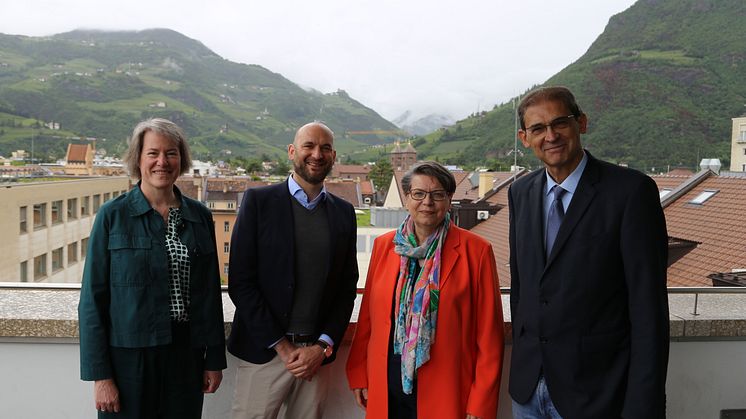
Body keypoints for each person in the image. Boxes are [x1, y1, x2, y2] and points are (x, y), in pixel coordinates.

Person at [508, 86, 669, 418]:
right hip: (528, 392)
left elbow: (648, 308)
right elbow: (523, 286)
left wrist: (643, 405)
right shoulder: (520, 192)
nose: (550, 136)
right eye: (538, 129)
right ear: (525, 138)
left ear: (581, 123)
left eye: (560, 123)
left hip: (597, 393)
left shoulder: (630, 192)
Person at [78, 118, 227, 418]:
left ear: (181, 159)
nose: (162, 161)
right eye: (153, 153)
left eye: (171, 153)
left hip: (186, 355)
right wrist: (101, 376)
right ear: (138, 158)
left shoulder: (198, 216)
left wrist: (214, 359)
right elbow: (92, 300)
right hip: (128, 358)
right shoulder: (112, 215)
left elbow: (209, 294)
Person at [347, 161, 505, 419]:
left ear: (449, 199)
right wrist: (358, 372)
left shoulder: (476, 252)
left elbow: (490, 336)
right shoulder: (385, 246)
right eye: (418, 194)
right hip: (387, 384)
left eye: (437, 194)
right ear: (407, 198)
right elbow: (368, 319)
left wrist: (480, 403)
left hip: (446, 387)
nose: (427, 202)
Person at [227, 121, 358, 419]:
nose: (317, 154)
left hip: (315, 357)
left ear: (334, 156)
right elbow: (241, 283)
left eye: (325, 148)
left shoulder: (343, 212)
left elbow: (346, 287)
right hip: (266, 352)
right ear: (291, 151)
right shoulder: (258, 202)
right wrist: (284, 348)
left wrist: (322, 346)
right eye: (308, 146)